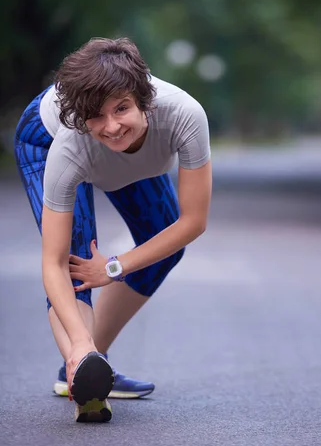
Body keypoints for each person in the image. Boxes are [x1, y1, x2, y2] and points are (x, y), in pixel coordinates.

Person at [14, 37, 212, 423]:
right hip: (44, 140)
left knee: (164, 248)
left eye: (122, 108)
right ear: (82, 118)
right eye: (98, 116)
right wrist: (78, 346)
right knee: (78, 265)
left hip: (123, 157)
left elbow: (193, 222)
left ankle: (93, 367)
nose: (112, 126)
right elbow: (55, 264)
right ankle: (84, 370)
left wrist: (114, 266)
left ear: (145, 99)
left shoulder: (185, 115)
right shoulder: (70, 147)